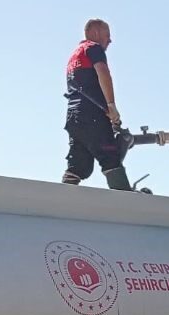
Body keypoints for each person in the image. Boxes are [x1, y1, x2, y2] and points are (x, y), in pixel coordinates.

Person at [62, 19, 131, 190]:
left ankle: (62, 200)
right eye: (107, 35)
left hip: (74, 118)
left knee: (78, 165)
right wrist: (111, 105)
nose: (110, 40)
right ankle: (127, 204)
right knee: (110, 158)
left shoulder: (74, 56)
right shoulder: (93, 48)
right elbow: (103, 72)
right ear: (96, 33)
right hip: (92, 116)